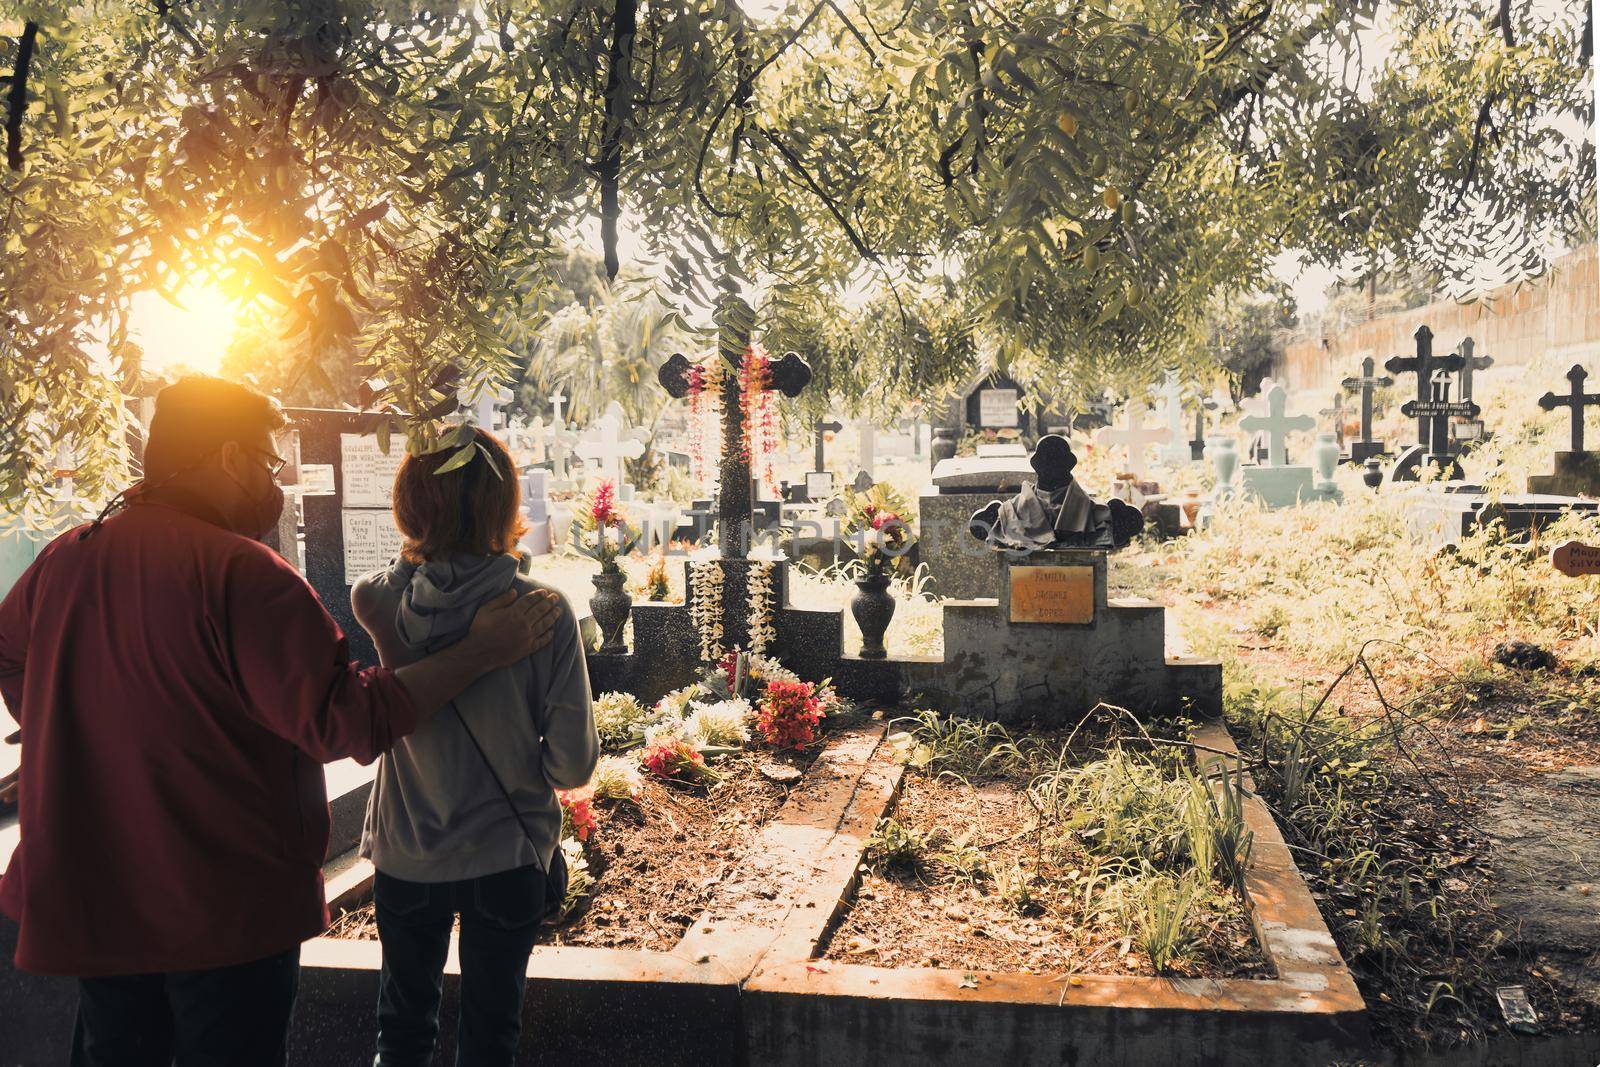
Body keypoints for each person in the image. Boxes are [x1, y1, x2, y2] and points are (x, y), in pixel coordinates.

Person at [0, 376, 563, 1067]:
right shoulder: (244, 575)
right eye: (268, 464)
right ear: (231, 457)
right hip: (223, 910)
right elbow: (351, 722)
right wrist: (481, 651)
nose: (274, 484)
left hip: (99, 903)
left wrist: (82, 722)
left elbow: (10, 656)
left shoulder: (66, 557)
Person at [351, 427, 597, 1067]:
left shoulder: (379, 601)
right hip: (506, 852)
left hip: (406, 852)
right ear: (505, 503)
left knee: (400, 1034)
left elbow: (396, 580)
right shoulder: (544, 611)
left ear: (408, 502)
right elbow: (572, 764)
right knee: (492, 1039)